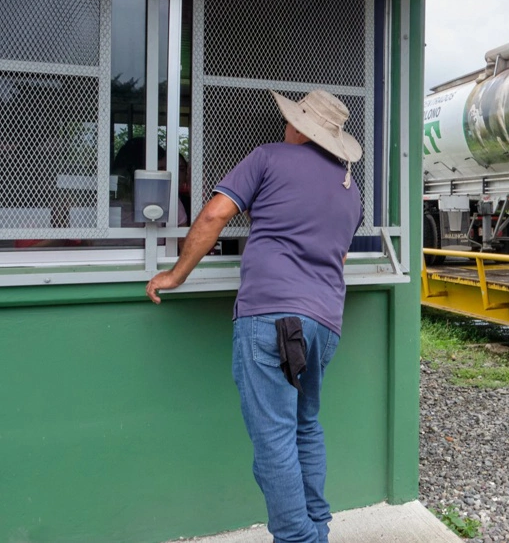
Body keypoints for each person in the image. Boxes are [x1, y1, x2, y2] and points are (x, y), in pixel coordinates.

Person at [146, 89, 362, 543]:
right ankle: (316, 530)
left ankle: (297, 539)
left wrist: (177, 274)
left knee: (274, 440)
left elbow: (212, 217)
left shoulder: (268, 157)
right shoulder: (351, 192)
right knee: (305, 425)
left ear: (300, 127)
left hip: (272, 317)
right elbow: (337, 260)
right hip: (324, 322)